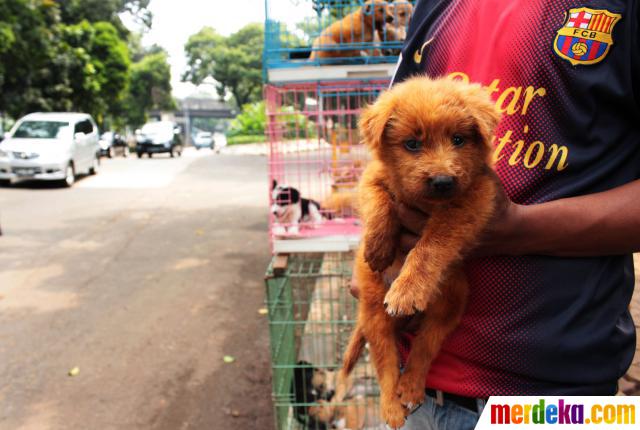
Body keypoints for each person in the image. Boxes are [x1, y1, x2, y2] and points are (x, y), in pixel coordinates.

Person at [351, 1, 640, 428]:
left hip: (557, 403)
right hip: (421, 395)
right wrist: (377, 247)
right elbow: (389, 153)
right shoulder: (433, 5)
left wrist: (518, 230)